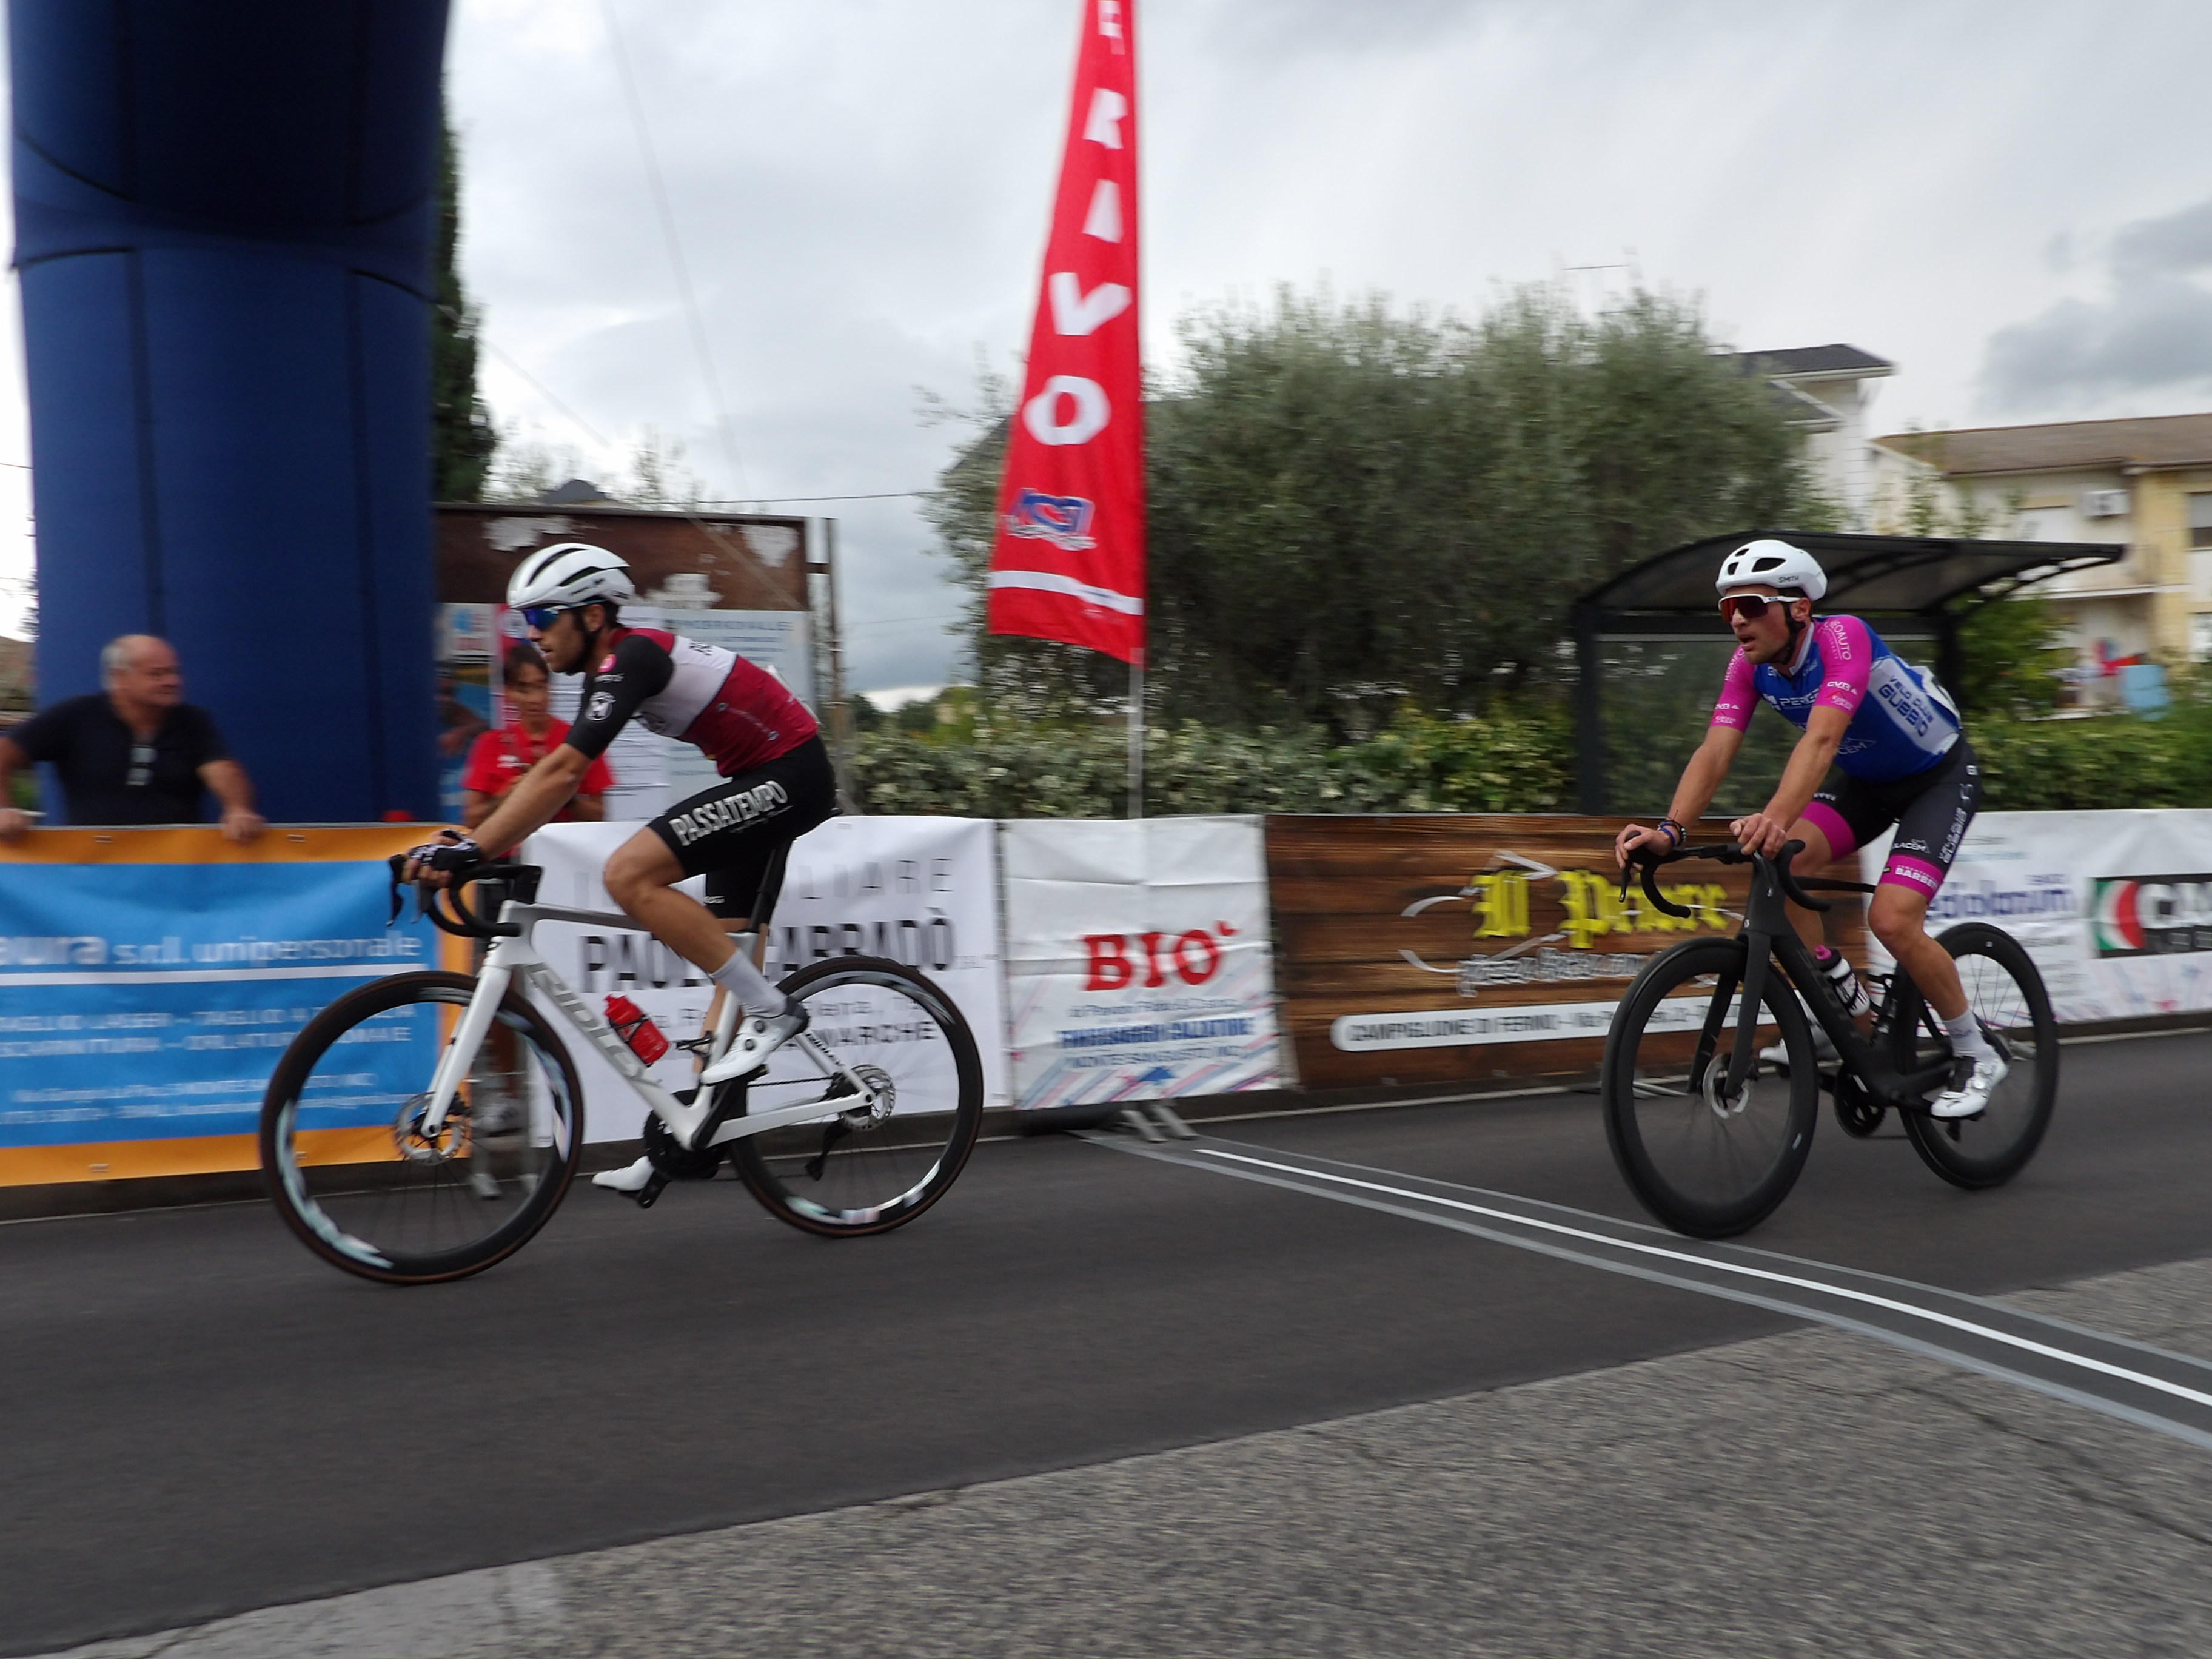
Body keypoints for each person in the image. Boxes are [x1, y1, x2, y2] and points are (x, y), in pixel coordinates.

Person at [403, 543, 836, 1196]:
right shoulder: (609, 671)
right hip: (760, 776)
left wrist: (474, 849)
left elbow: (563, 773)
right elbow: (549, 780)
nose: (533, 635)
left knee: (629, 875)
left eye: (542, 617)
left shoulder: (632, 657)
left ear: (594, 615)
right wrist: (473, 843)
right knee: (731, 958)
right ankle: (692, 1137)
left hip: (791, 772)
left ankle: (774, 1012)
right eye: (525, 621)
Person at [1612, 538, 2002, 1119]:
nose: (1737, 620)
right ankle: (1845, 1007)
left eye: (1751, 606)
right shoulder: (1748, 667)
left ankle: (1975, 1051)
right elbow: (1714, 752)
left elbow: (1821, 740)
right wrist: (1670, 831)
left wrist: (1773, 817)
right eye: (1728, 609)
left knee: (1892, 919)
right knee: (1785, 864)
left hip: (1937, 778)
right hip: (1866, 781)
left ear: (1798, 608)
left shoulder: (1844, 638)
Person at [0, 634, 263, 842]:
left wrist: (238, 808)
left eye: (175, 672)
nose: (172, 681)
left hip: (176, 868)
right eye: (157, 674)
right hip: (92, 870)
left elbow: (222, 770)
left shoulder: (193, 721)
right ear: (120, 678)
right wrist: (4, 809)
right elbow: (5, 754)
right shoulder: (75, 715)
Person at [460, 642, 612, 827]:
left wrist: (561, 792)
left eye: (541, 686)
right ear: (508, 693)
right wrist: (506, 798)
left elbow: (599, 815)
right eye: (523, 690)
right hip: (509, 845)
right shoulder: (490, 744)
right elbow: (472, 819)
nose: (536, 699)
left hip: (561, 843)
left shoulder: (581, 739)